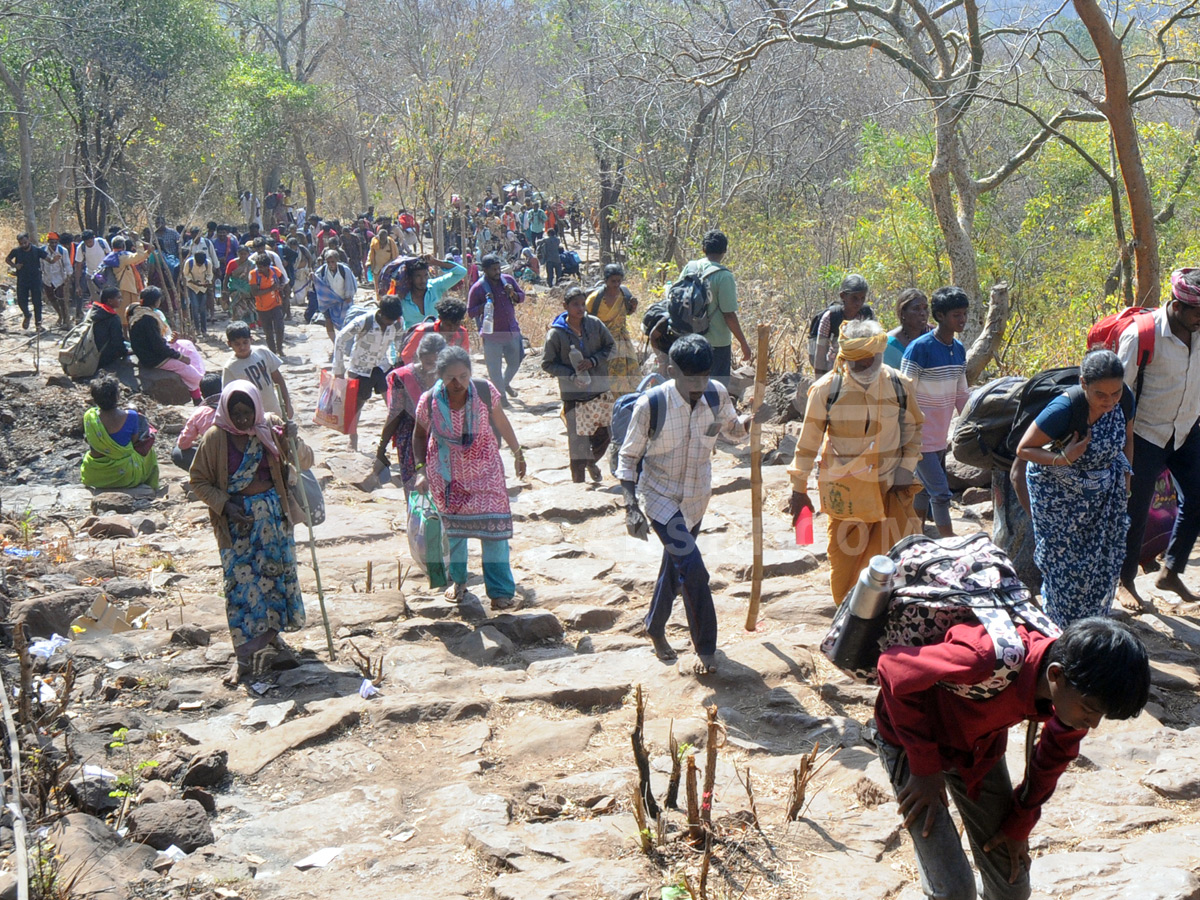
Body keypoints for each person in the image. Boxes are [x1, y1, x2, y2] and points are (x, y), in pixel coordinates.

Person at [871, 616, 1149, 900]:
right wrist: (925, 768)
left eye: (1102, 715)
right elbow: (891, 668)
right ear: (1055, 675)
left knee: (1011, 889)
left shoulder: (1074, 695)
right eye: (1090, 711)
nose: (1093, 724)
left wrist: (1020, 821)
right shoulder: (983, 659)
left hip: (976, 751)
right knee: (954, 891)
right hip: (910, 743)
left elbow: (1054, 756)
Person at [617, 334, 750, 674]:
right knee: (694, 570)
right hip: (660, 498)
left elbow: (732, 431)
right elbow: (628, 459)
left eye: (704, 376)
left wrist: (754, 419)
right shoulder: (652, 405)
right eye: (691, 378)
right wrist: (631, 506)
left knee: (676, 569)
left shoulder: (715, 395)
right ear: (672, 371)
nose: (698, 385)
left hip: (696, 497)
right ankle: (706, 648)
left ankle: (654, 625)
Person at [788, 319, 924, 605]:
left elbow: (913, 430)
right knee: (845, 570)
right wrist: (798, 490)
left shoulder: (899, 385)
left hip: (890, 488)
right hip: (847, 492)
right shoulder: (827, 390)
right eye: (856, 364)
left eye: (868, 362)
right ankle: (848, 619)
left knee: (896, 567)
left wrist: (906, 469)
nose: (863, 368)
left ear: (879, 355)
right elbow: (808, 443)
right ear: (845, 358)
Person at [190, 381, 312, 683]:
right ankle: (243, 656)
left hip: (274, 519)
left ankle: (273, 640)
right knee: (241, 588)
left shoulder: (270, 427)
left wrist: (292, 439)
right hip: (238, 523)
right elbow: (198, 480)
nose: (243, 419)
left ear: (256, 408)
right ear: (226, 412)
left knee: (275, 580)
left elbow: (304, 461)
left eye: (247, 413)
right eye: (236, 414)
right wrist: (225, 505)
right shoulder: (215, 438)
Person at [1013, 350, 1133, 626]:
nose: (1109, 401)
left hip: (1102, 494)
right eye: (1100, 394)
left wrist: (1126, 481)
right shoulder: (1063, 409)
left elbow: (1128, 438)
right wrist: (1063, 458)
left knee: (1100, 561)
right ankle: (1060, 630)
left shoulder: (1125, 398)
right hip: (1056, 497)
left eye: (1115, 393)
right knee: (1063, 568)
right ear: (1083, 384)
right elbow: (1024, 449)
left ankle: (1091, 626)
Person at [412, 346, 526, 607]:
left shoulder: (485, 391)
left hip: (486, 472)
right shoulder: (429, 401)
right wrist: (420, 471)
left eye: (463, 376)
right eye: (451, 378)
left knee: (495, 530)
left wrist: (518, 452)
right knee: (454, 533)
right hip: (447, 477)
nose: (458, 383)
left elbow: (501, 421)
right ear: (440, 376)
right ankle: (458, 581)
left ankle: (500, 592)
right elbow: (419, 436)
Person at [1119, 268, 1200, 606]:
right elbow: (1118, 393)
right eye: (1198, 313)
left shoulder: (1197, 329)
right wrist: (1120, 445)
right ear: (1177, 307)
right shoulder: (1142, 335)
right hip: (1145, 434)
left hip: (1186, 430)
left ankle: (1171, 571)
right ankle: (1125, 581)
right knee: (1135, 512)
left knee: (1197, 498)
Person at [901, 286, 970, 538]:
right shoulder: (920, 349)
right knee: (940, 493)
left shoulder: (958, 349)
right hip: (919, 437)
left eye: (964, 314)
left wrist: (974, 422)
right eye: (956, 315)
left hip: (940, 435)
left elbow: (962, 394)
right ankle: (950, 542)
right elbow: (904, 393)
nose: (962, 319)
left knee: (923, 490)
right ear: (940, 316)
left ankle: (916, 537)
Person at [543, 284, 616, 483]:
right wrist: (570, 375)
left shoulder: (595, 324)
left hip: (599, 390)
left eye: (583, 304)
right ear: (565, 306)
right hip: (574, 395)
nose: (581, 308)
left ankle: (591, 461)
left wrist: (593, 361)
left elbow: (611, 347)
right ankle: (578, 484)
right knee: (577, 444)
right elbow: (547, 363)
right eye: (575, 304)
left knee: (604, 435)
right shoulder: (556, 334)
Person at [677, 230, 751, 382]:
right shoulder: (724, 276)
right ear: (724, 250)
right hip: (717, 344)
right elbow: (729, 315)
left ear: (703, 249)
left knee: (691, 386)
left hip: (689, 338)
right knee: (716, 388)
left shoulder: (690, 268)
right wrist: (744, 344)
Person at [333, 296, 404, 451]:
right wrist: (339, 368)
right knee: (356, 406)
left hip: (382, 366)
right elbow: (340, 338)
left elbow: (400, 343)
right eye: (388, 319)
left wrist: (399, 363)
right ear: (381, 313)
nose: (390, 323)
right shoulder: (364, 321)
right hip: (360, 367)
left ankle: (396, 438)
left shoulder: (398, 323)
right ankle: (353, 438)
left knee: (394, 402)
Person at [376, 332, 446, 489]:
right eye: (428, 362)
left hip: (443, 437)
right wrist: (382, 447)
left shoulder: (450, 376)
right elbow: (395, 413)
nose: (432, 368)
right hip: (411, 439)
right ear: (419, 357)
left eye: (437, 363)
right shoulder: (403, 377)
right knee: (415, 489)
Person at [79, 375, 160, 490]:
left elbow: (89, 439)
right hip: (125, 475)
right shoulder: (131, 416)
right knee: (150, 452)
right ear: (117, 396)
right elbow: (134, 441)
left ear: (94, 398)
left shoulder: (89, 416)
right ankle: (152, 487)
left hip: (95, 475)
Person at [128, 287, 206, 402]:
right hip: (153, 358)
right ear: (156, 301)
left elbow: (154, 340)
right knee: (188, 370)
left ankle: (198, 375)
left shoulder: (137, 312)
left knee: (187, 344)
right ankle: (197, 395)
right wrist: (180, 357)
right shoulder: (148, 319)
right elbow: (158, 346)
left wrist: (169, 341)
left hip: (151, 351)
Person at [467, 255, 526, 404]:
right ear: (485, 270)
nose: (497, 272)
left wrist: (512, 293)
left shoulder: (508, 280)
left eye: (498, 268)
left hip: (512, 331)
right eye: (493, 269)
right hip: (492, 336)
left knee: (516, 361)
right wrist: (484, 305)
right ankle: (501, 397)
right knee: (494, 369)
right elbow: (470, 312)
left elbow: (522, 297)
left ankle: (505, 383)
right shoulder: (478, 288)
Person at [586, 263, 640, 395]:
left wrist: (633, 307)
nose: (616, 284)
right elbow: (585, 320)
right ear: (605, 281)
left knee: (628, 372)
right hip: (603, 343)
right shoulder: (595, 299)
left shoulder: (625, 294)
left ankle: (628, 400)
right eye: (613, 281)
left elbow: (627, 313)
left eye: (619, 281)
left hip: (622, 341)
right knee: (607, 374)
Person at [223, 320, 293, 419]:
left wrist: (287, 403)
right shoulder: (230, 368)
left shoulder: (262, 352)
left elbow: (278, 378)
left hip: (275, 410)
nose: (242, 347)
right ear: (229, 344)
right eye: (237, 344)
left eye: (245, 342)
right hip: (253, 418)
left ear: (251, 339)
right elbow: (229, 397)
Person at [812, 273, 875, 377]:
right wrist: (819, 382)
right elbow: (820, 353)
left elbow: (875, 346)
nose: (859, 303)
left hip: (862, 369)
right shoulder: (830, 317)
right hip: (836, 368)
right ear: (843, 296)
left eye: (862, 298)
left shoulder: (867, 314)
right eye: (854, 298)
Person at [393, 254, 467, 329]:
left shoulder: (435, 286)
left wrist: (435, 262)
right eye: (418, 276)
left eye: (425, 275)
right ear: (410, 278)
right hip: (412, 335)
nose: (423, 280)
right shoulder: (402, 296)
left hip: (435, 335)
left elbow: (462, 272)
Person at [173, 373, 224, 470]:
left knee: (177, 452)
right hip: (239, 458)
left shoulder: (200, 413)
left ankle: (204, 475)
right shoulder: (233, 406)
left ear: (201, 394)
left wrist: (194, 444)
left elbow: (183, 444)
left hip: (215, 461)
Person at [399, 296, 470, 364]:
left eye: (457, 324)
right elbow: (406, 356)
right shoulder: (423, 331)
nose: (452, 329)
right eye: (448, 325)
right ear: (440, 318)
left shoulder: (462, 333)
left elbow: (464, 359)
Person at [312, 248, 358, 345]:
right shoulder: (322, 270)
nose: (330, 264)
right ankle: (335, 343)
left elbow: (351, 283)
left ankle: (347, 342)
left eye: (332, 262)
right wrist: (312, 277)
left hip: (344, 300)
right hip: (329, 301)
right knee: (328, 321)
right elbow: (317, 282)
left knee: (347, 322)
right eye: (328, 262)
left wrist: (349, 296)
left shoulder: (344, 270)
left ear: (337, 260)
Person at [6, 233, 49, 329]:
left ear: (29, 240)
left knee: (37, 302)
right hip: (22, 279)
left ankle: (38, 324)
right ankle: (27, 314)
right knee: (21, 301)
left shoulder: (36, 250)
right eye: (21, 243)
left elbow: (48, 259)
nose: (24, 245)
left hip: (35, 279)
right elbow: (7, 259)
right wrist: (15, 266)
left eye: (25, 242)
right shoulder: (16, 251)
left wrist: (54, 259)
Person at [248, 253, 287, 356]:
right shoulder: (253, 274)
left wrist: (281, 285)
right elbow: (255, 292)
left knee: (280, 327)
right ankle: (272, 352)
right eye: (258, 266)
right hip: (262, 308)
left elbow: (283, 278)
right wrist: (271, 289)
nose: (259, 269)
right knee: (268, 331)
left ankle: (280, 349)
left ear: (267, 266)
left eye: (261, 267)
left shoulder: (275, 270)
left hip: (276, 303)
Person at [885, 288, 930, 369]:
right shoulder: (890, 345)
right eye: (916, 309)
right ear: (902, 313)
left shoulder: (931, 337)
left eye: (925, 308)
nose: (923, 313)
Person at [90, 287, 129, 369]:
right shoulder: (113, 318)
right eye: (118, 298)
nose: (121, 300)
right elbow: (117, 341)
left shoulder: (94, 311)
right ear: (110, 301)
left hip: (92, 351)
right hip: (105, 356)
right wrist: (125, 352)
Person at [41, 233, 72, 329]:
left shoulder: (63, 251)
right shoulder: (42, 251)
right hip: (47, 278)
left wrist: (69, 275)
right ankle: (60, 315)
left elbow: (67, 264)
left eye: (55, 242)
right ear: (48, 242)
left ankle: (65, 319)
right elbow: (40, 264)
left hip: (59, 278)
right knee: (51, 298)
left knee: (61, 299)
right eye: (52, 242)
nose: (54, 244)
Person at [76, 230, 112, 308]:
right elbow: (78, 266)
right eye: (86, 242)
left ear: (94, 238)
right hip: (91, 276)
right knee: (97, 301)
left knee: (108, 298)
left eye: (90, 241)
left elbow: (110, 257)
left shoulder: (101, 242)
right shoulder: (81, 248)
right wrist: (78, 284)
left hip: (105, 275)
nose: (89, 244)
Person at [183, 250, 215, 336]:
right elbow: (185, 275)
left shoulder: (208, 263)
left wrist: (207, 281)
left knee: (202, 308)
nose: (200, 265)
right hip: (192, 287)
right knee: (195, 307)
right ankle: (197, 329)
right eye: (198, 264)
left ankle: (204, 330)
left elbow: (210, 274)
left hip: (203, 288)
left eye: (201, 264)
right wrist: (193, 282)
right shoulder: (189, 263)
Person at [224, 245, 255, 325]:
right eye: (241, 254)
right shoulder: (232, 263)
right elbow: (227, 277)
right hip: (235, 289)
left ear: (248, 254)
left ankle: (249, 325)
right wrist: (225, 290)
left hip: (248, 291)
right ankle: (236, 324)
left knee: (248, 308)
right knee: (236, 307)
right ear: (238, 254)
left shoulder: (251, 265)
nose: (243, 256)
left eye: (245, 254)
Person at [368, 225, 399, 291]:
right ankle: (378, 296)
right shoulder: (374, 242)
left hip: (388, 268)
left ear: (386, 237)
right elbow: (371, 254)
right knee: (377, 286)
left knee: (388, 285)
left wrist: (388, 264)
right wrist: (370, 264)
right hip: (377, 268)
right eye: (381, 238)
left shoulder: (391, 243)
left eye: (384, 238)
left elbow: (395, 256)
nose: (382, 240)